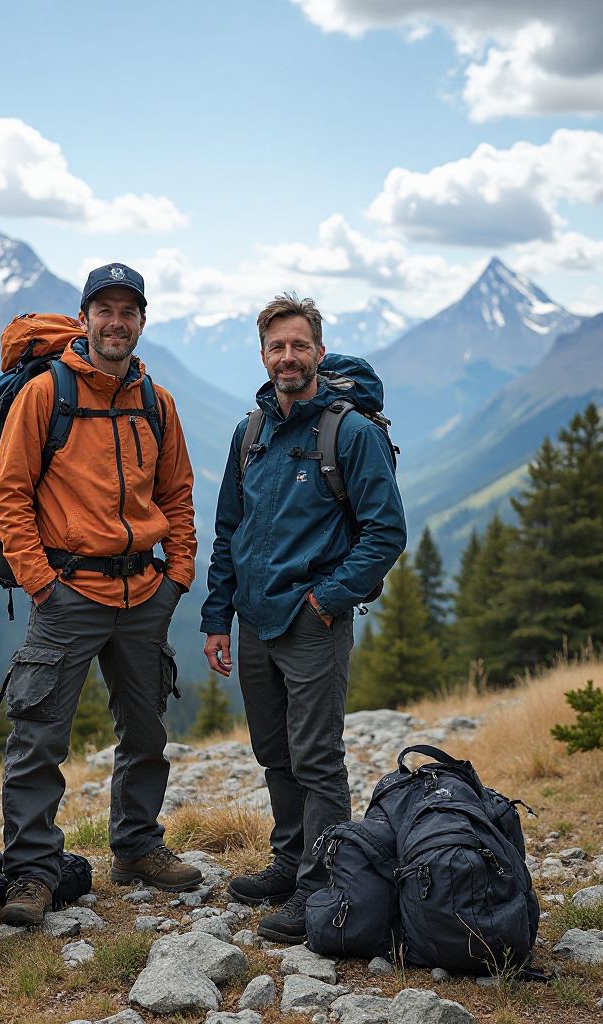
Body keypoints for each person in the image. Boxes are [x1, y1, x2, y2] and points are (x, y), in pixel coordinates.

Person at [0, 263, 202, 926]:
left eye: (127, 311)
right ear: (84, 319)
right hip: (67, 595)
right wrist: (41, 583)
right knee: (39, 738)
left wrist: (178, 576)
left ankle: (137, 848)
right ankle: (31, 872)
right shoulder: (45, 394)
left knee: (145, 732)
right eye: (103, 310)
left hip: (143, 593)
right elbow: (8, 496)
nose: (116, 322)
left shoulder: (156, 402)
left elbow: (177, 495)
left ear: (141, 321)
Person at [201, 292, 406, 943]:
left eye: (299, 345)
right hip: (254, 621)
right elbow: (229, 531)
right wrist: (217, 616)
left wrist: (327, 600)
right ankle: (290, 862)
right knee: (274, 752)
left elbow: (386, 533)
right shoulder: (250, 434)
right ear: (263, 355)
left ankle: (322, 888)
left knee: (316, 758)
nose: (287, 357)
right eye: (276, 347)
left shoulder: (350, 434)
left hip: (312, 621)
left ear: (318, 350)